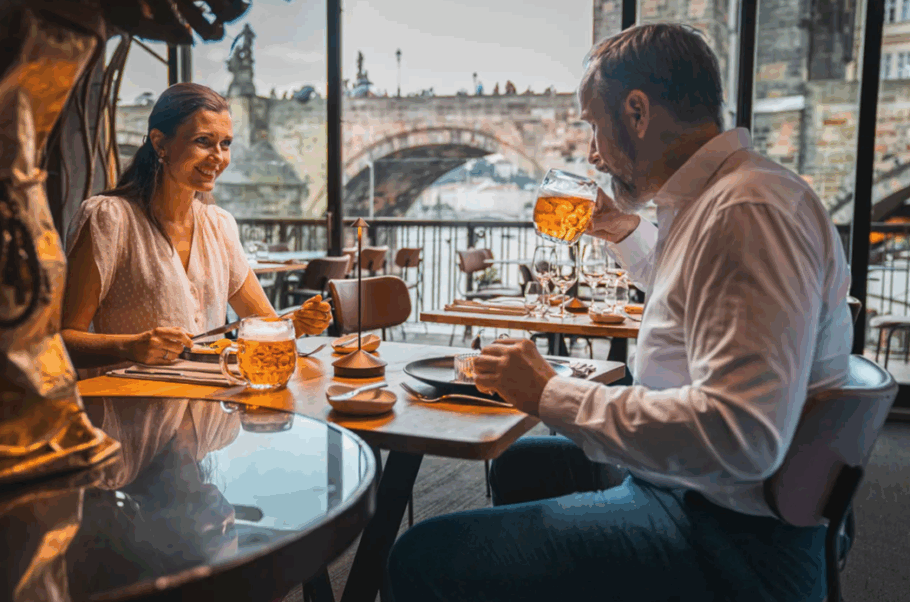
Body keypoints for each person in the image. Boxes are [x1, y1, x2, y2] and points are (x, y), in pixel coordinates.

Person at [386, 24, 852, 602]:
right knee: (521, 463)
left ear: (637, 112)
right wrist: (617, 228)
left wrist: (551, 393)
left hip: (732, 541)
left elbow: (742, 438)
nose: (591, 153)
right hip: (716, 503)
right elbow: (685, 288)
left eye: (591, 124)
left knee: (424, 556)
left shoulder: (747, 214)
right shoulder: (723, 201)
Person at [61, 83, 330, 369]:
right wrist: (129, 346)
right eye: (203, 141)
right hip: (130, 406)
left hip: (209, 405)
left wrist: (297, 324)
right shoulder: (108, 219)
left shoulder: (219, 225)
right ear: (159, 143)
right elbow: (63, 341)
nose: (218, 157)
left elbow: (264, 323)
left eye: (225, 144)